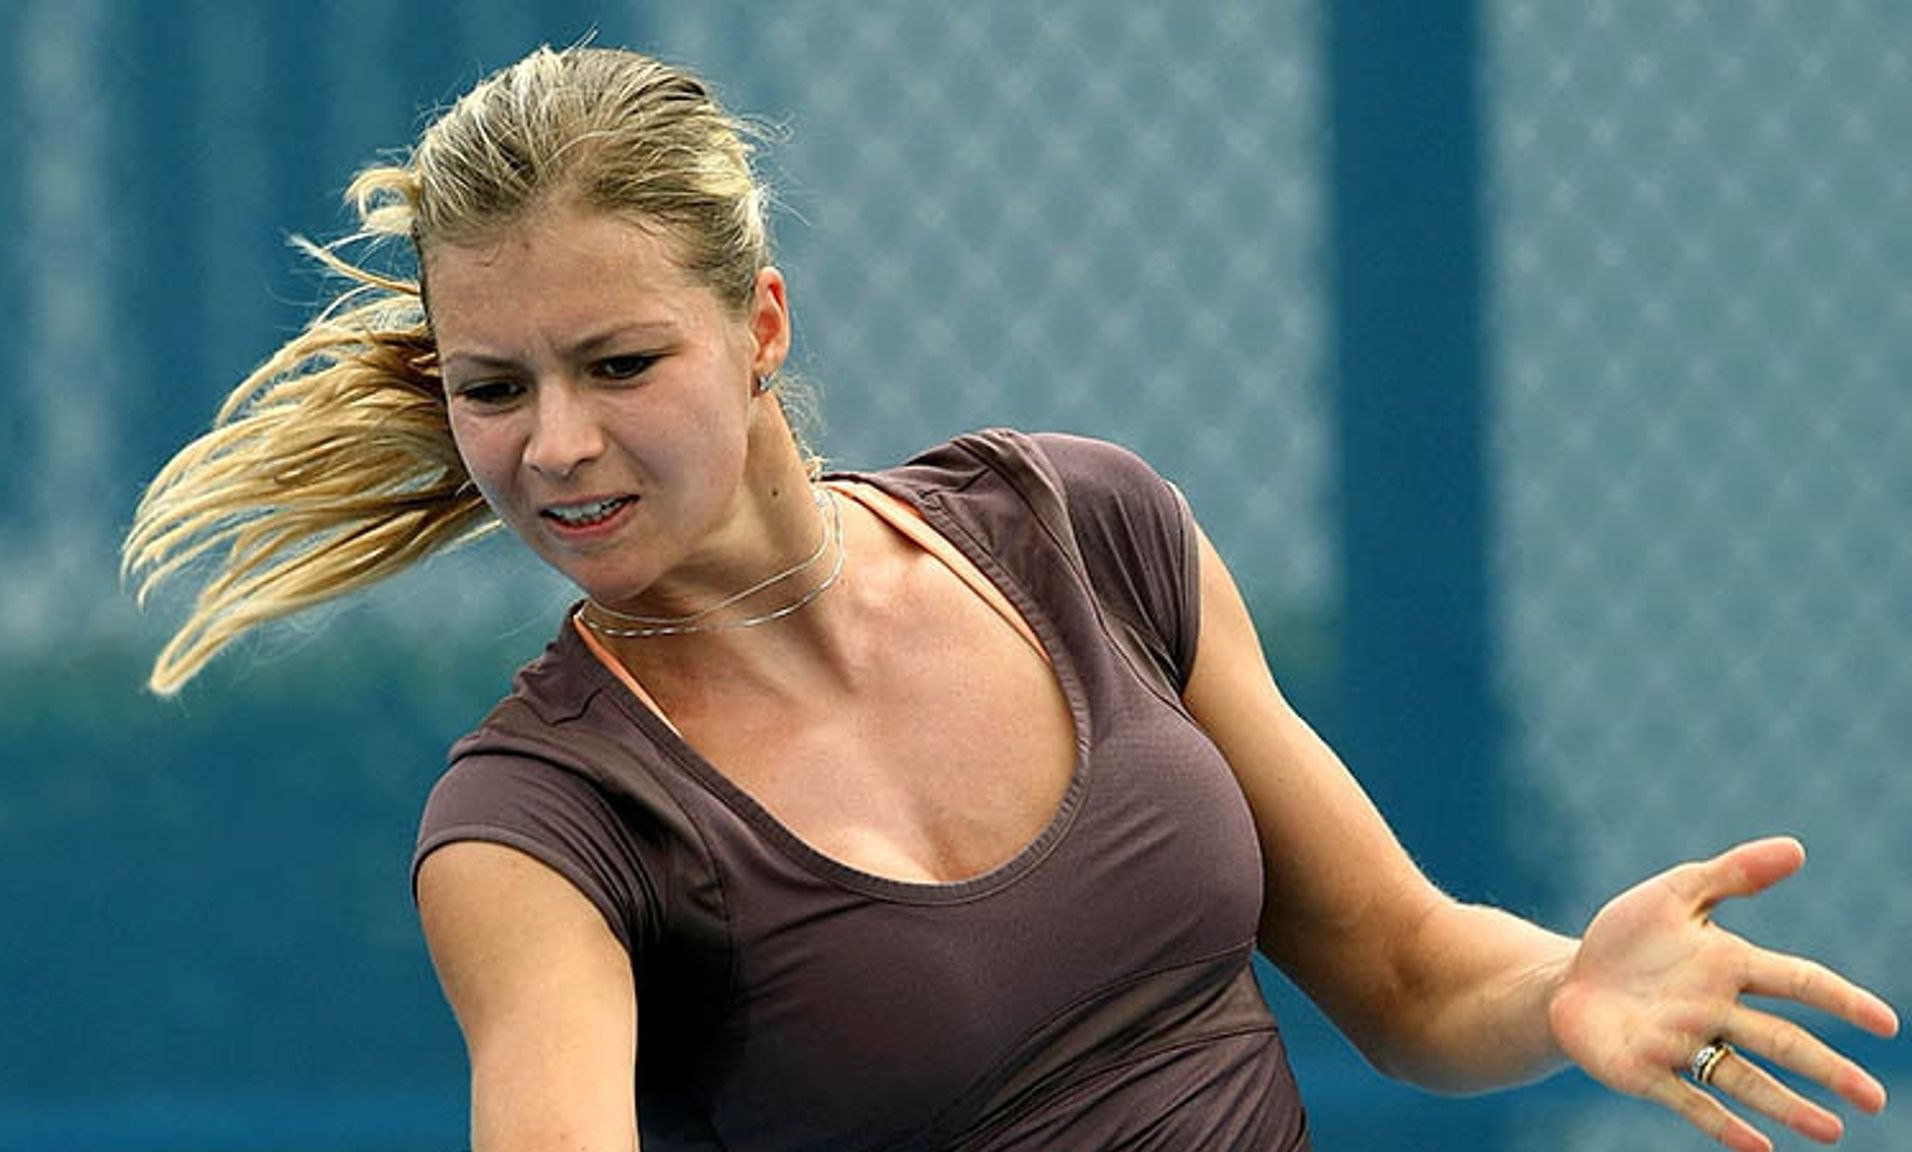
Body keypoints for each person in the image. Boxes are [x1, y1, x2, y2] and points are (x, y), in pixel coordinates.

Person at [125, 42, 1898, 1152]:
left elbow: (1404, 969)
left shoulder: (1084, 529)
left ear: (759, 326)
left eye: (619, 362)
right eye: (492, 387)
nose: (556, 445)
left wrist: (1570, 985)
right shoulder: (537, 830)